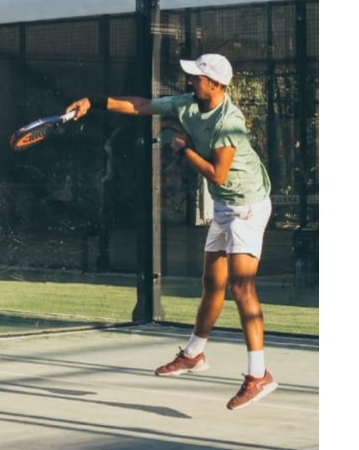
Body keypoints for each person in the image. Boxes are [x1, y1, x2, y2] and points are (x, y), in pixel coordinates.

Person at [65, 53, 277, 410]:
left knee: (242, 288)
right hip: (225, 207)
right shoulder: (186, 104)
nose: (190, 80)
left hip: (248, 206)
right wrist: (94, 102)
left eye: (197, 77)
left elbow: (217, 174)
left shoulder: (229, 122)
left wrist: (183, 148)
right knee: (212, 284)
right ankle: (194, 354)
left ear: (216, 84)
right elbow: (141, 105)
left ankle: (259, 375)